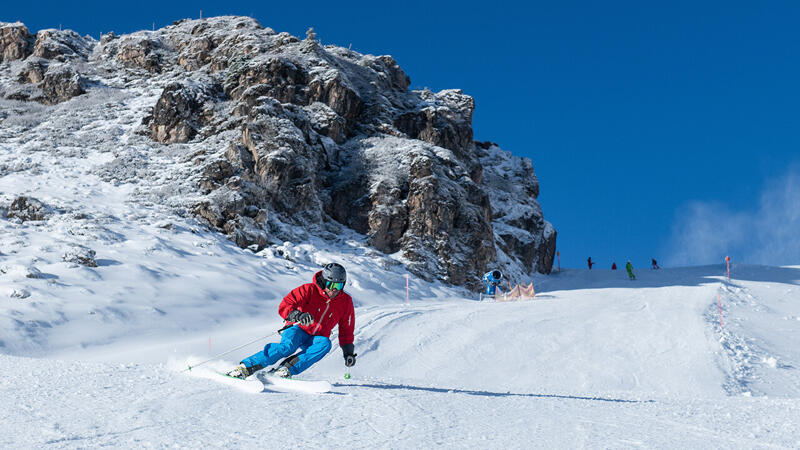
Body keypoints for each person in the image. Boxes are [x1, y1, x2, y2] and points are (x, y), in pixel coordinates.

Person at [226, 263, 356, 379]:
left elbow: (346, 328)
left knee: (325, 344)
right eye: (331, 284)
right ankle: (246, 367)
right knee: (288, 347)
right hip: (298, 328)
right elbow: (286, 304)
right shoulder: (309, 289)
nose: (334, 290)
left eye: (338, 285)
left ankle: (285, 369)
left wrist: (348, 352)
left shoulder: (345, 301)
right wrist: (297, 315)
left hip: (316, 337)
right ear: (323, 281)